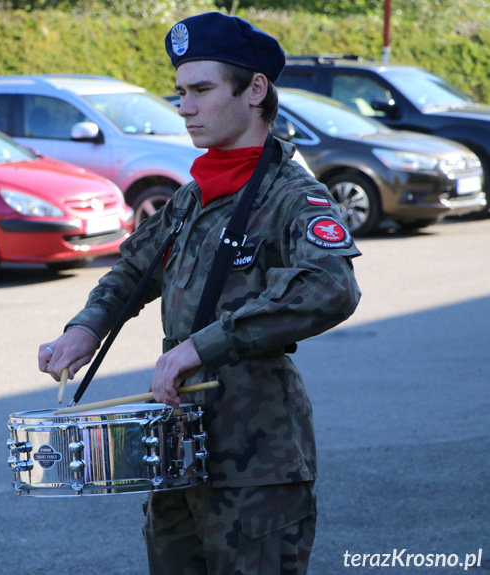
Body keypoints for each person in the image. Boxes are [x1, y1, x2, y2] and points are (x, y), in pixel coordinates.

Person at [37, 11, 362, 575]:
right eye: (181, 92)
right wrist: (85, 328)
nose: (184, 107)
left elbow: (331, 286)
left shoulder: (291, 196)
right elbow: (131, 270)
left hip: (257, 463)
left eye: (202, 90)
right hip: (176, 446)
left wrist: (200, 347)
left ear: (255, 89)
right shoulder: (192, 197)